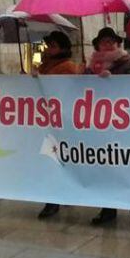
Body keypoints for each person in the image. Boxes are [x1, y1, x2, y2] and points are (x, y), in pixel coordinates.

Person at [86, 27, 130, 225]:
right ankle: (108, 209)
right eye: (103, 41)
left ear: (117, 43)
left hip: (123, 124)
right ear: (98, 44)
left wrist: (115, 80)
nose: (107, 45)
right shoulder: (92, 65)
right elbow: (79, 85)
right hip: (100, 124)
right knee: (106, 168)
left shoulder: (127, 62)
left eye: (111, 41)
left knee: (124, 165)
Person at [34, 31, 83, 219]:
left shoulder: (68, 67)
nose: (49, 49)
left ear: (62, 48)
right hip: (48, 121)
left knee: (61, 160)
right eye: (48, 45)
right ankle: (54, 198)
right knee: (52, 160)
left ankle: (56, 199)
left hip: (64, 121)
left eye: (53, 45)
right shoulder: (44, 67)